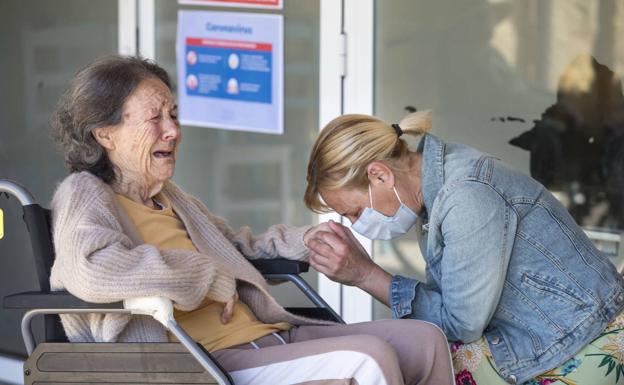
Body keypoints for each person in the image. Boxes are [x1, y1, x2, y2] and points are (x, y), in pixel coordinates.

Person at [48, 55, 454, 385]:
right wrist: (207, 277)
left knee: (426, 340)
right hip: (200, 362)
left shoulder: (171, 199)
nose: (172, 130)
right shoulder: (85, 194)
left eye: (174, 114)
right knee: (367, 361)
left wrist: (306, 241)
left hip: (263, 336)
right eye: (155, 118)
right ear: (105, 134)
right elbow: (92, 271)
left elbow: (237, 249)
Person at [303, 110, 624, 385]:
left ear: (379, 175)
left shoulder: (466, 196)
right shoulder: (431, 187)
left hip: (581, 343)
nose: (356, 224)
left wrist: (366, 275)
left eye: (355, 211)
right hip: (548, 334)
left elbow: (461, 324)